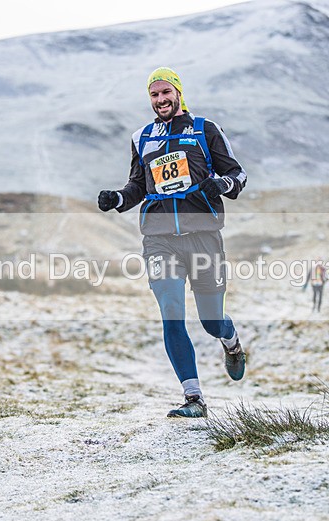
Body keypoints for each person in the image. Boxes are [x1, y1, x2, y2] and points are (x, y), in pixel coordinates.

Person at [97, 67, 248, 418]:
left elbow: (236, 173)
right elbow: (138, 186)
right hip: (159, 240)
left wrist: (220, 185)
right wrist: (117, 199)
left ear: (178, 93)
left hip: (203, 237)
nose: (161, 100)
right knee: (171, 314)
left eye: (166, 92)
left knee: (211, 321)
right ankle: (193, 398)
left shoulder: (204, 129)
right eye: (154, 94)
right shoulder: (142, 137)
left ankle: (232, 342)